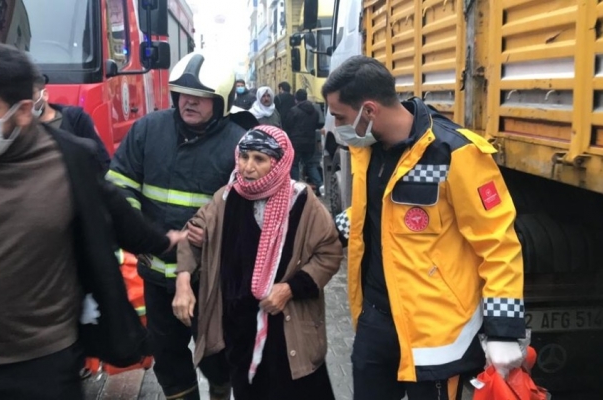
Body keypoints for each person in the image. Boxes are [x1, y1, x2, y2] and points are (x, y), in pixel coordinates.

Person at [0, 42, 185, 400]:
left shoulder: (69, 159)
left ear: (23, 111)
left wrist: (166, 242)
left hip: (47, 362)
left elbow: (118, 215)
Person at [322, 55, 525, 400]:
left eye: (340, 116)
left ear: (368, 111)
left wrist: (503, 330)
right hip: (376, 320)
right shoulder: (366, 150)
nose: (336, 126)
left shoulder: (455, 152)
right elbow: (375, 210)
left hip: (434, 333)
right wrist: (323, 230)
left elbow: (498, 244)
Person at [106, 52, 255, 400]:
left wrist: (216, 234)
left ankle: (220, 387)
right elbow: (118, 186)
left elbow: (253, 212)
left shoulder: (239, 145)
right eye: (183, 93)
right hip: (157, 276)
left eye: (201, 96)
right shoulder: (148, 130)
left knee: (217, 355)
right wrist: (140, 232)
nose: (189, 101)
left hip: (212, 281)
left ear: (221, 102)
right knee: (168, 358)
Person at [172, 126, 342, 400]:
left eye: (259, 159)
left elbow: (329, 253)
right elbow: (191, 235)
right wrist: (183, 282)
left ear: (279, 162)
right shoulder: (226, 197)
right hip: (240, 329)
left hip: (288, 326)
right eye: (244, 156)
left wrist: (290, 289)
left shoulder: (302, 201)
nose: (247, 167)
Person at [31, 73, 110, 171]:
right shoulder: (20, 130)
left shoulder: (76, 119)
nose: (26, 104)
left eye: (30, 96)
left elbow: (102, 161)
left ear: (44, 94)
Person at [283, 89, 324, 194]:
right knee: (310, 165)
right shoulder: (314, 111)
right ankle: (320, 186)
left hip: (296, 143)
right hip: (310, 143)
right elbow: (318, 124)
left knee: (294, 165)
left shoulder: (293, 111)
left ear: (296, 99)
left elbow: (287, 126)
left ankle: (296, 189)